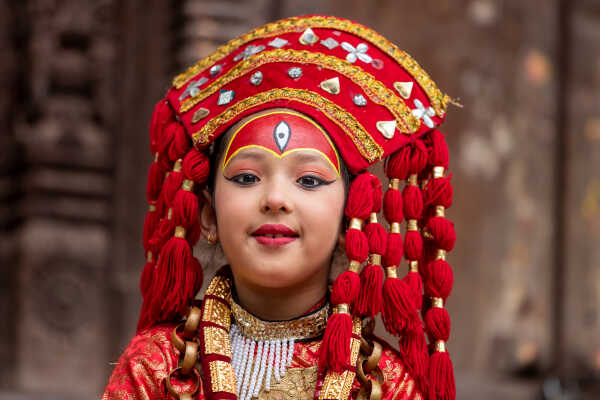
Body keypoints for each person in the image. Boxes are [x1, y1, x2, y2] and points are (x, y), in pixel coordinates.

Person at [102, 15, 457, 400]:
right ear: (208, 214)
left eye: (308, 180)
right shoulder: (156, 366)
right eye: (246, 178)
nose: (275, 199)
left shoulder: (385, 384)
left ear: (349, 218)